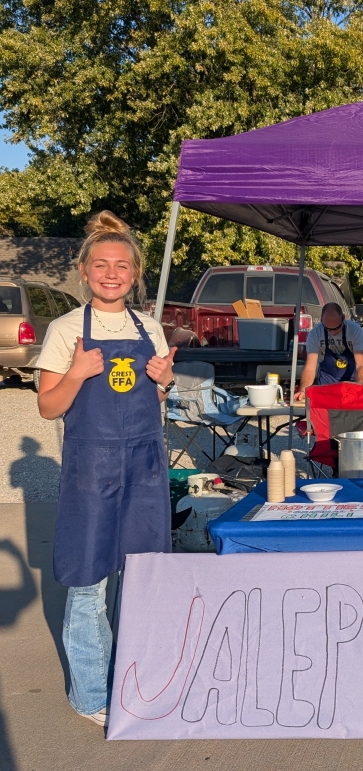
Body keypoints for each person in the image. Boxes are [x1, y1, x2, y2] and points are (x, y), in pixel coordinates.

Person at [36, 211, 176, 728]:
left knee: (141, 576)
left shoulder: (151, 328)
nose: (112, 273)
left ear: (136, 274)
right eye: (101, 264)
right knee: (89, 582)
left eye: (122, 266)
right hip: (90, 472)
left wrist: (165, 380)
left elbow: (155, 398)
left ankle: (138, 678)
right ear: (83, 270)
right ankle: (92, 693)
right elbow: (49, 407)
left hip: (143, 467)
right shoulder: (65, 329)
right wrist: (76, 373)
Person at [294, 302, 363, 402]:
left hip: (352, 382)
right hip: (327, 383)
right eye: (328, 329)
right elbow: (310, 368)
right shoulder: (315, 334)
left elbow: (361, 365)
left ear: (343, 318)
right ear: (321, 320)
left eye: (337, 328)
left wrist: (358, 386)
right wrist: (303, 390)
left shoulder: (355, 331)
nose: (333, 332)